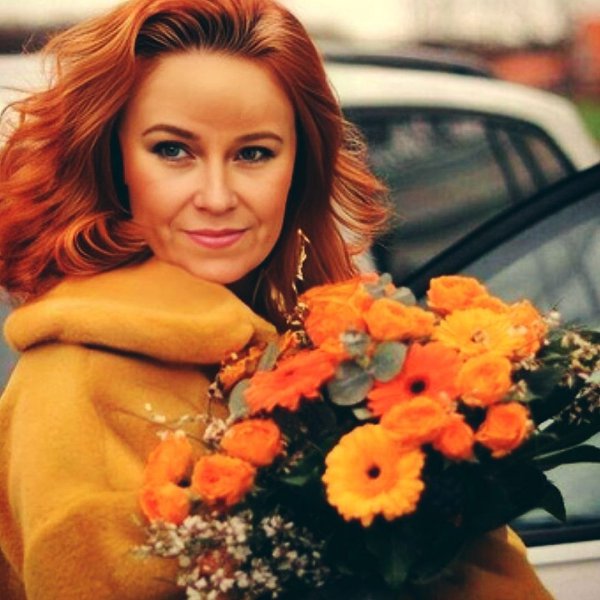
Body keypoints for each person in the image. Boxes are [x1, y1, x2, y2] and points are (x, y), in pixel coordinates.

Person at [0, 1, 552, 598]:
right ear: (114, 162)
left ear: (300, 168)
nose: (217, 196)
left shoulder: (339, 348)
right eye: (173, 150)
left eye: (253, 153)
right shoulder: (76, 382)